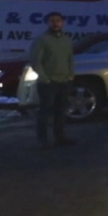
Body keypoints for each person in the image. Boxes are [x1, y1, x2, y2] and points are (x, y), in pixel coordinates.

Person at [29, 12, 76, 149]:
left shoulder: (67, 40)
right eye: (52, 21)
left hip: (64, 81)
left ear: (62, 23)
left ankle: (60, 136)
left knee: (60, 111)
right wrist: (44, 78)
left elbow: (70, 59)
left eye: (58, 20)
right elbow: (35, 61)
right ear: (48, 23)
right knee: (45, 111)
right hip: (48, 82)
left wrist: (71, 75)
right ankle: (43, 139)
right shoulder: (42, 40)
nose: (55, 23)